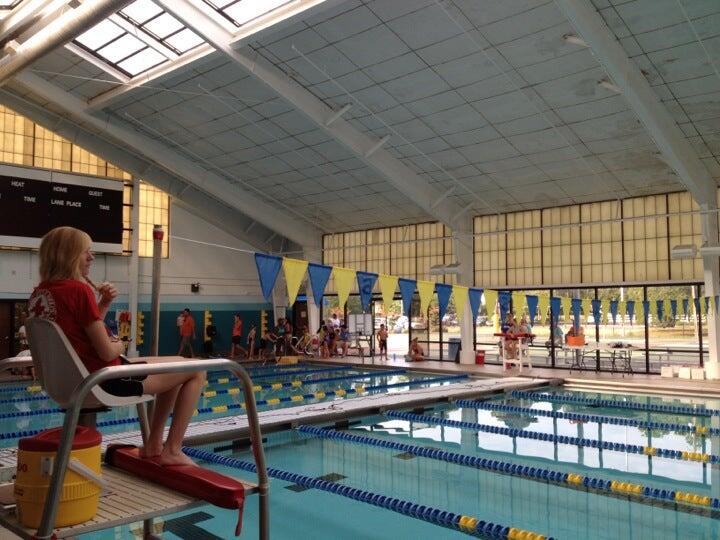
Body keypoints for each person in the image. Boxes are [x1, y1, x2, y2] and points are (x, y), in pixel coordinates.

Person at [28, 227, 204, 466]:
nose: (91, 257)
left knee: (176, 364)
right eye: (85, 252)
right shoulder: (78, 290)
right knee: (197, 370)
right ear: (68, 254)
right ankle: (172, 448)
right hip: (104, 380)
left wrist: (105, 302)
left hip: (75, 381)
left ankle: (154, 445)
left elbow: (82, 334)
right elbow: (106, 351)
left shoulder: (40, 293)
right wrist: (121, 343)